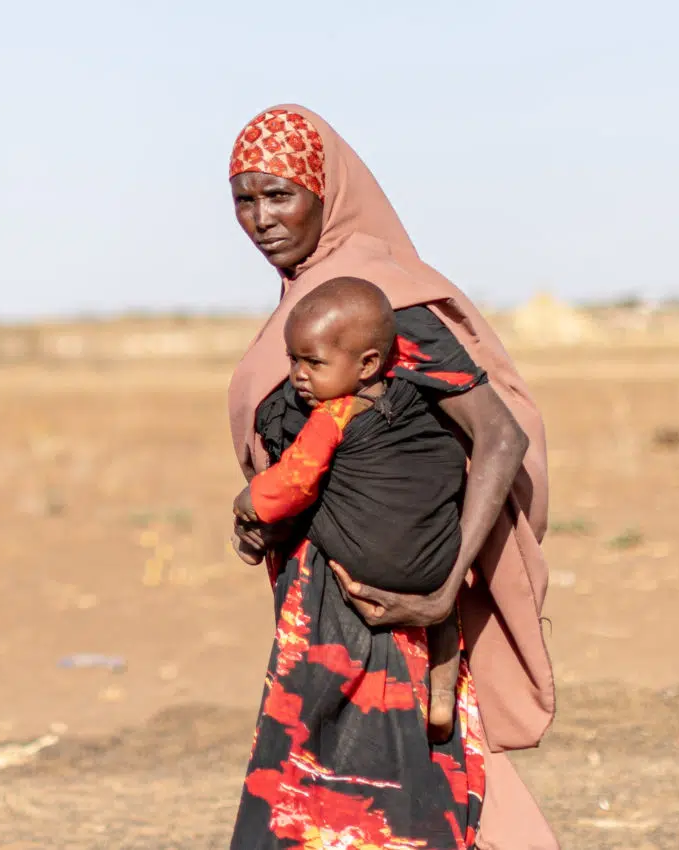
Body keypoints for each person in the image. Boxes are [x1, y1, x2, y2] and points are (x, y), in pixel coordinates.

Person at [226, 105, 557, 850]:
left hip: (388, 609)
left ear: (327, 193)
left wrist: (444, 586)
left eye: (279, 194)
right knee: (346, 795)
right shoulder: (315, 307)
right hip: (320, 603)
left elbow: (497, 433)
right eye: (244, 198)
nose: (260, 218)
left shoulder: (379, 304)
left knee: (386, 800)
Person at [230, 276, 468, 744]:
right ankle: (442, 694)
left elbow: (293, 484)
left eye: (313, 362)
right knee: (446, 619)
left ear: (368, 364)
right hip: (441, 568)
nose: (298, 375)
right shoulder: (418, 405)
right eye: (293, 360)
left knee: (317, 511)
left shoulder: (333, 416)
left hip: (373, 570)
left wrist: (249, 500)